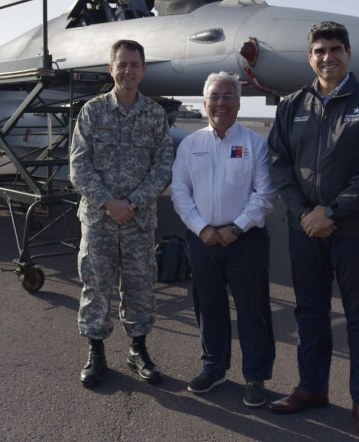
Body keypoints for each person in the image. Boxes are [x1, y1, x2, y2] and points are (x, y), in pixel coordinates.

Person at [266, 21, 359, 442]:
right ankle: (312, 388)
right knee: (310, 312)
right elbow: (278, 163)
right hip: (304, 229)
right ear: (310, 57)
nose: (328, 57)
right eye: (320, 50)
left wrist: (333, 211)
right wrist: (306, 212)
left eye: (336, 49)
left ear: (348, 53)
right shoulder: (291, 104)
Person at [69, 39, 174, 388]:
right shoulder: (92, 111)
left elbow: (162, 167)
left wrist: (134, 203)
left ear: (143, 70)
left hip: (138, 221)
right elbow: (78, 166)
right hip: (99, 220)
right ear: (111, 68)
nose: (128, 71)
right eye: (121, 64)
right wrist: (108, 203)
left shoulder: (155, 115)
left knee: (140, 287)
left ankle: (137, 350)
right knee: (96, 286)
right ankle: (96, 352)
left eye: (134, 65)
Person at [170, 72, 277, 407]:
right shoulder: (190, 145)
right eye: (214, 97)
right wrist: (202, 228)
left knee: (252, 309)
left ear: (239, 102)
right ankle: (214, 367)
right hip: (202, 239)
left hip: (245, 240)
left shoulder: (254, 143)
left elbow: (265, 194)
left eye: (228, 95)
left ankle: (256, 376)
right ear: (204, 104)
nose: (221, 103)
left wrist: (238, 228)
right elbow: (179, 192)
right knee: (209, 307)